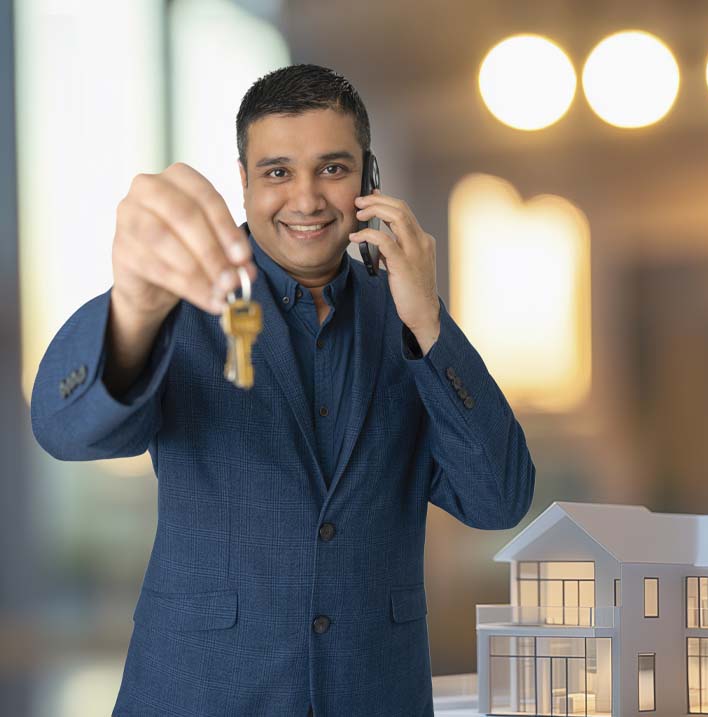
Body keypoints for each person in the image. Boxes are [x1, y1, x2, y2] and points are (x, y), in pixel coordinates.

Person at [31, 63, 535, 717]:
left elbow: (499, 499)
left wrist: (429, 324)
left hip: (373, 693)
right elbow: (62, 427)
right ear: (243, 181)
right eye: (277, 172)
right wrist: (132, 305)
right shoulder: (179, 297)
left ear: (368, 178)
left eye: (332, 168)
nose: (306, 199)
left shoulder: (406, 319)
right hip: (201, 692)